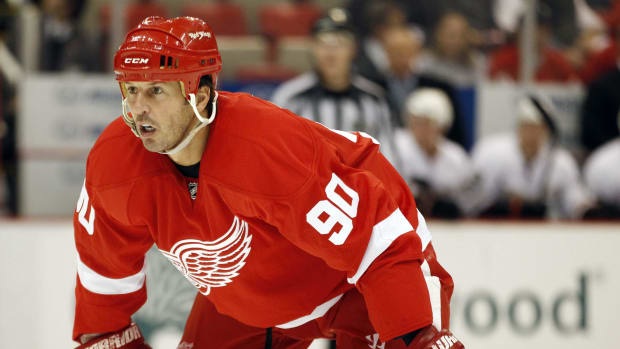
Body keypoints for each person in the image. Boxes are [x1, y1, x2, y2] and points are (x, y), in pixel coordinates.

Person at [72, 16, 464, 349]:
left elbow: (377, 243)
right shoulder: (114, 166)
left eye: (156, 90)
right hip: (247, 300)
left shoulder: (262, 150)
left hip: (354, 282)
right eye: (131, 90)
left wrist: (418, 336)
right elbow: (103, 307)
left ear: (202, 95)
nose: (138, 109)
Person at [271, 8, 398, 165]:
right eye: (323, 43)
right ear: (313, 48)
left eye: (340, 43)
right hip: (308, 186)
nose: (330, 53)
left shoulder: (373, 99)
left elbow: (390, 159)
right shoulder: (290, 97)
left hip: (359, 187)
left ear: (353, 49)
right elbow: (276, 153)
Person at [469, 95, 592, 219]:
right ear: (518, 127)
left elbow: (574, 198)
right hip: (498, 225)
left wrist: (584, 209)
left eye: (537, 128)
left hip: (541, 229)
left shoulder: (560, 161)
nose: (532, 134)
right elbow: (476, 200)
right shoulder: (492, 153)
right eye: (527, 127)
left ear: (546, 130)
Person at [394, 88, 474, 219]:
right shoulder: (396, 146)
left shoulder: (455, 156)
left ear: (442, 125)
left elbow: (467, 199)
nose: (420, 128)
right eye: (416, 121)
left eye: (426, 123)